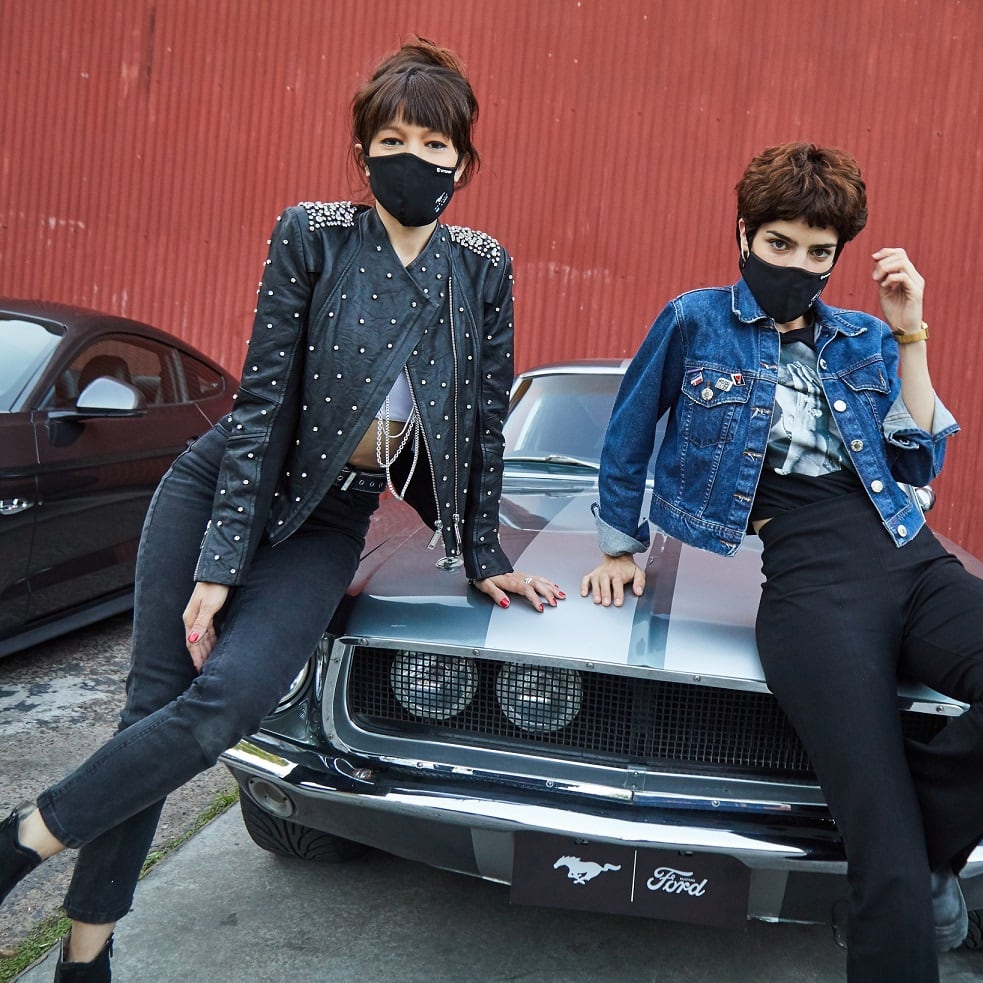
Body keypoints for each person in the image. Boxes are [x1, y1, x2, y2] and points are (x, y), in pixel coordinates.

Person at [0, 39, 563, 981]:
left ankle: (18, 840)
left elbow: (480, 426)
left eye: (433, 141)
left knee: (225, 703)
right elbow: (262, 404)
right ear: (361, 152)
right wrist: (220, 563)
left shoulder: (481, 268)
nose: (413, 157)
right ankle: (86, 958)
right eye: (392, 137)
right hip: (224, 486)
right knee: (155, 707)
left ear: (463, 160)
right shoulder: (314, 232)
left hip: (330, 519)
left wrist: (481, 548)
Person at [580, 142, 983, 982]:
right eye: (781, 243)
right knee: (887, 861)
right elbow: (629, 433)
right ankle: (898, 854)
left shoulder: (859, 336)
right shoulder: (692, 320)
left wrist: (910, 330)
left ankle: (901, 831)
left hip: (909, 552)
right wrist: (618, 546)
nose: (800, 264)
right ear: (745, 231)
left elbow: (920, 459)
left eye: (820, 252)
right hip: (810, 573)